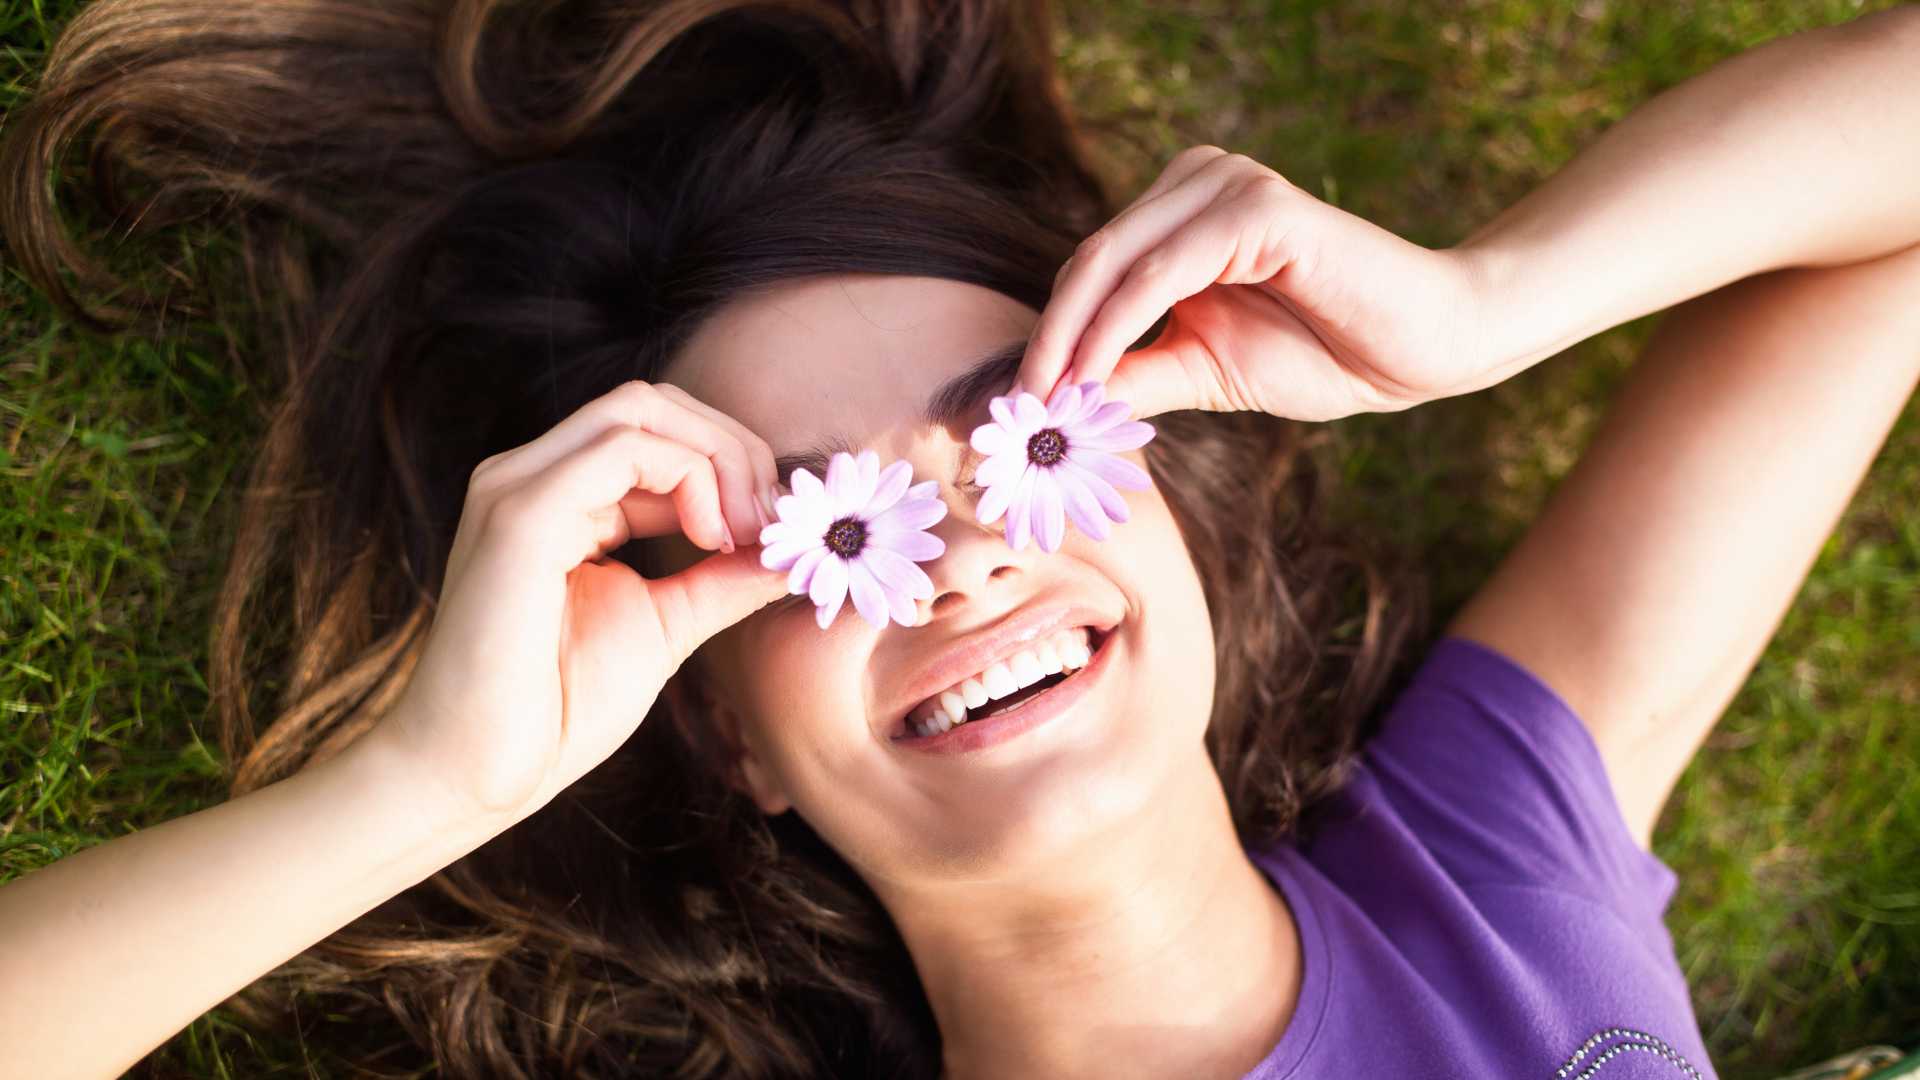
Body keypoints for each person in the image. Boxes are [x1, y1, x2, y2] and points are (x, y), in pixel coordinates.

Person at [2, 1, 1916, 1076]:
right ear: (724, 734)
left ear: (1163, 488)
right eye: (821, 526)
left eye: (1016, 432)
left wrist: (1495, 303)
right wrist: (428, 781)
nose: (964, 555)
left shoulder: (1486, 858)